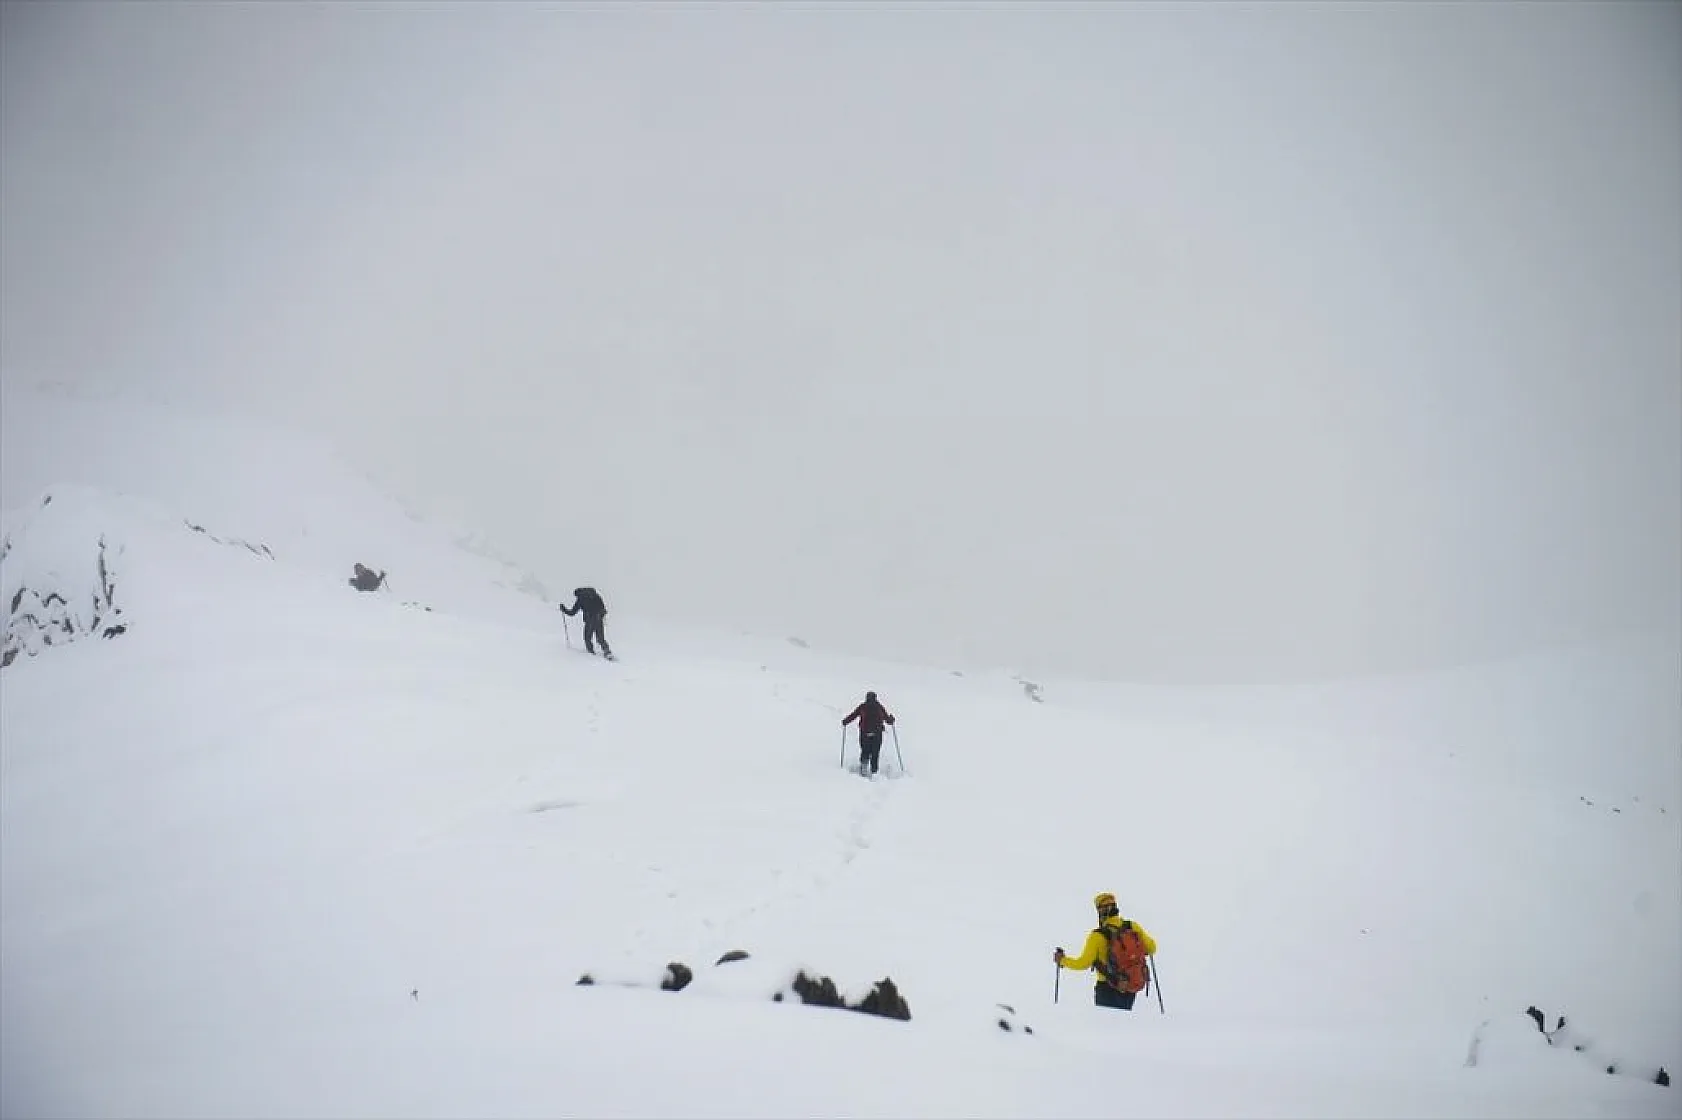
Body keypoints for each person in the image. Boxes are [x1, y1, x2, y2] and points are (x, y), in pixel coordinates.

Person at [1054, 892, 1157, 1010]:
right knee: (1123, 1024)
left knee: (1105, 1026)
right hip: (1130, 986)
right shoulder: (1132, 927)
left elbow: (1082, 964)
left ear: (1101, 911)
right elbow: (1152, 948)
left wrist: (1062, 960)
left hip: (1106, 988)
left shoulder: (1097, 936)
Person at [841, 691, 895, 775]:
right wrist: (891, 720)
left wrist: (845, 721)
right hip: (877, 734)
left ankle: (864, 768)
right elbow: (887, 720)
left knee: (865, 750)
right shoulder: (879, 707)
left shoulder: (863, 706)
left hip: (864, 733)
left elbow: (853, 715)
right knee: (875, 752)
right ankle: (874, 771)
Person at [559, 587, 613, 659]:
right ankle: (607, 651)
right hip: (599, 619)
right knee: (600, 638)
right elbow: (603, 608)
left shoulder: (581, 599)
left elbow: (572, 613)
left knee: (587, 638)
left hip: (589, 620)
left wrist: (563, 609)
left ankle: (591, 653)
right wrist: (601, 615)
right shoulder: (596, 595)